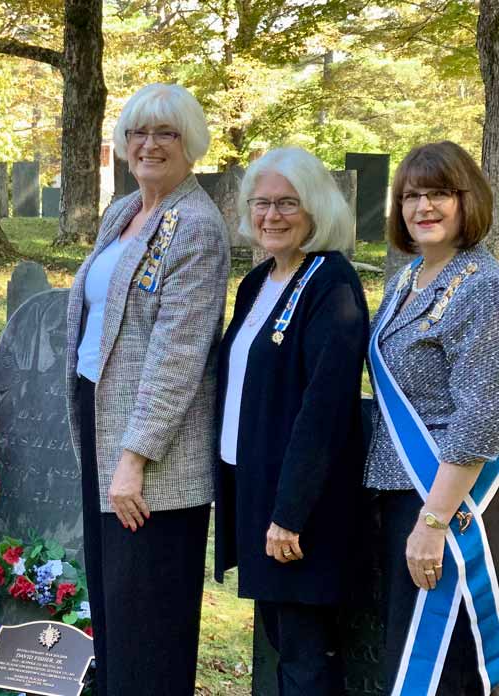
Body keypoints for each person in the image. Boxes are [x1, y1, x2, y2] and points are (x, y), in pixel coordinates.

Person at [64, 83, 229, 696]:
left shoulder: (197, 227)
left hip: (151, 457)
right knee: (113, 609)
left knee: (148, 620)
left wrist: (134, 460)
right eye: (138, 132)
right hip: (102, 427)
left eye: (166, 133)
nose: (149, 144)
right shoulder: (125, 212)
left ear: (191, 145)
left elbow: (177, 356)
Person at [212, 147, 369, 695]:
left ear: (315, 210)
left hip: (300, 508)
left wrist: (290, 513)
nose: (271, 216)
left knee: (306, 653)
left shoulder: (332, 284)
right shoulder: (257, 282)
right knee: (283, 639)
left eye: (287, 203)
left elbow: (324, 410)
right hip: (257, 492)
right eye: (261, 203)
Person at [365, 141, 499, 695]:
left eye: (441, 193)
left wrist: (434, 521)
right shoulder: (408, 277)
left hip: (449, 503)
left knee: (442, 669)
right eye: (412, 195)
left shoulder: (484, 287)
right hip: (405, 497)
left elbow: (478, 418)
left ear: (468, 201)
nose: (424, 206)